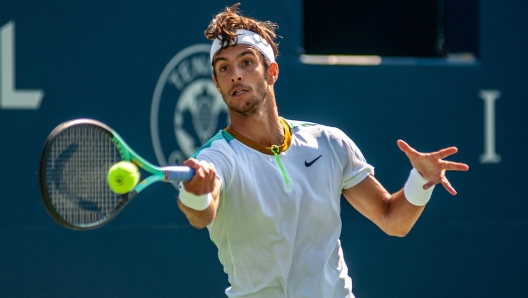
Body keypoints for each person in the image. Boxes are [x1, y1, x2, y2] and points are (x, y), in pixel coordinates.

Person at [177, 3, 469, 298]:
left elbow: (393, 220)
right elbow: (200, 215)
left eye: (247, 62)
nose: (236, 75)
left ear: (272, 72)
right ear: (216, 83)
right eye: (224, 68)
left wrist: (420, 180)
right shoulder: (217, 157)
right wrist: (195, 193)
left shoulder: (328, 142)